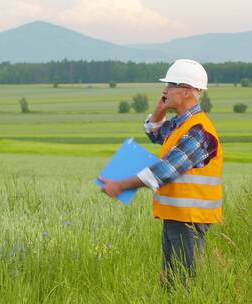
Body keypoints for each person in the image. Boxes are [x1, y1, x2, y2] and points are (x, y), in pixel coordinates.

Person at [98, 59, 223, 288]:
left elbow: (163, 172)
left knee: (185, 284)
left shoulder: (199, 131)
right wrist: (160, 109)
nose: (165, 89)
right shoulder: (181, 125)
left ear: (187, 92)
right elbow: (154, 132)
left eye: (171, 85)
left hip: (190, 219)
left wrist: (120, 185)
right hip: (176, 216)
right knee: (170, 283)